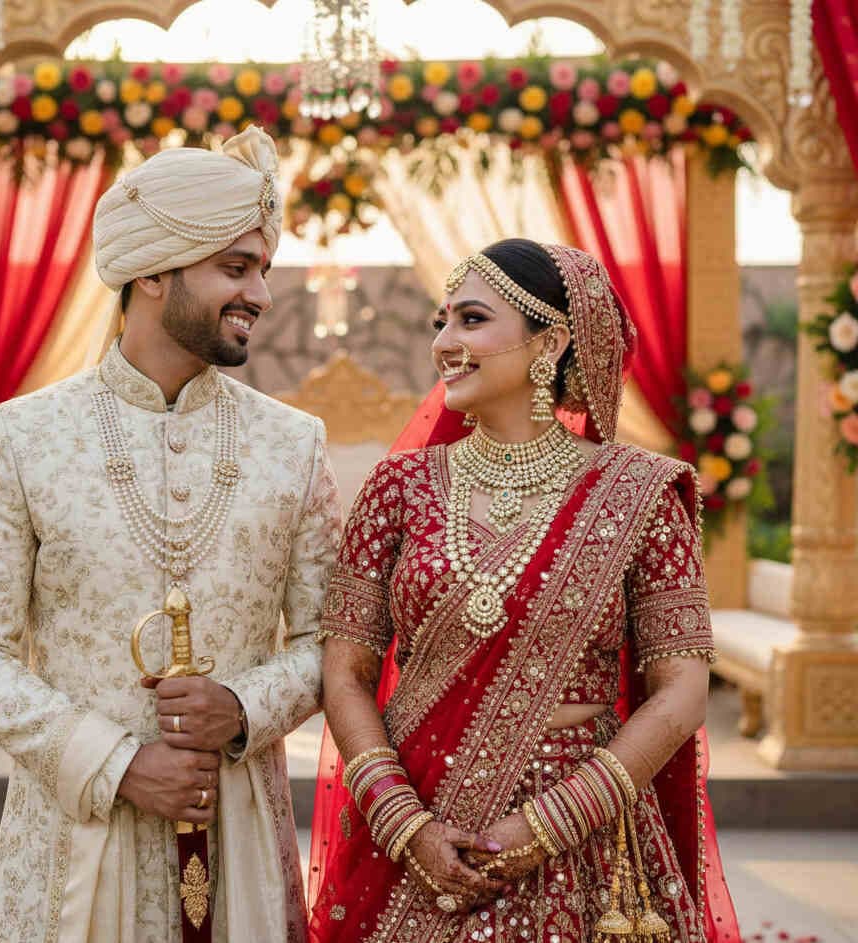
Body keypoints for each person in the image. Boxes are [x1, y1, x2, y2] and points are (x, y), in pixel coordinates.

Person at [0, 126, 342, 943]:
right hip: (71, 844)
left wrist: (242, 706)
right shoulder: (26, 436)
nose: (261, 294)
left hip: (237, 838)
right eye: (236, 267)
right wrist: (116, 762)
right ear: (153, 271)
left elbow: (334, 640)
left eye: (263, 269)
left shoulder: (292, 444)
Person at [308, 239, 741, 943]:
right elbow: (345, 671)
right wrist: (403, 822)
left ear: (551, 342)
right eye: (441, 322)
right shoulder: (399, 487)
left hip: (583, 839)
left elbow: (683, 690)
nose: (444, 343)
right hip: (415, 824)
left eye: (472, 320)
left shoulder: (640, 493)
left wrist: (547, 826)